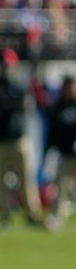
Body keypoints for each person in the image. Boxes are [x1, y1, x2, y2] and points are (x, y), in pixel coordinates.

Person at [0, 47, 43, 226]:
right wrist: (8, 105)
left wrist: (4, 106)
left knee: (26, 178)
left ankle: (32, 213)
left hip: (17, 139)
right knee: (0, 181)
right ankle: (4, 215)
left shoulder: (19, 87)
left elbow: (24, 106)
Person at [44, 75, 76, 231]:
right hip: (66, 155)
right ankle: (55, 218)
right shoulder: (59, 107)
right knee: (60, 187)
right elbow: (53, 129)